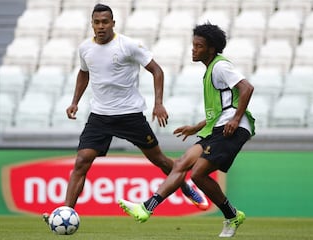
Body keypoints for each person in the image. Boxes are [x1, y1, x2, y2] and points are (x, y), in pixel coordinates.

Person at [42, 3, 208, 222]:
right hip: (100, 116)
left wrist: (158, 103)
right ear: (91, 24)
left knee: (158, 159)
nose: (101, 26)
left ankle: (186, 187)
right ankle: (66, 213)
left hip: (130, 114)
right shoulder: (85, 48)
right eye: (97, 22)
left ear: (113, 23)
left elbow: (156, 70)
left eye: (105, 22)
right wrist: (75, 102)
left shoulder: (128, 45)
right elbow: (84, 73)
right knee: (82, 160)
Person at [118, 22, 255, 238]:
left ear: (211, 49)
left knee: (199, 174)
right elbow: (222, 107)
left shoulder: (220, 66)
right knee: (182, 163)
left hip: (233, 129)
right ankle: (146, 208)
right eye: (193, 45)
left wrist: (236, 119)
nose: (193, 49)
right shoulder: (210, 70)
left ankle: (231, 216)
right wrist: (196, 127)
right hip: (217, 127)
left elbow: (247, 88)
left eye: (199, 46)